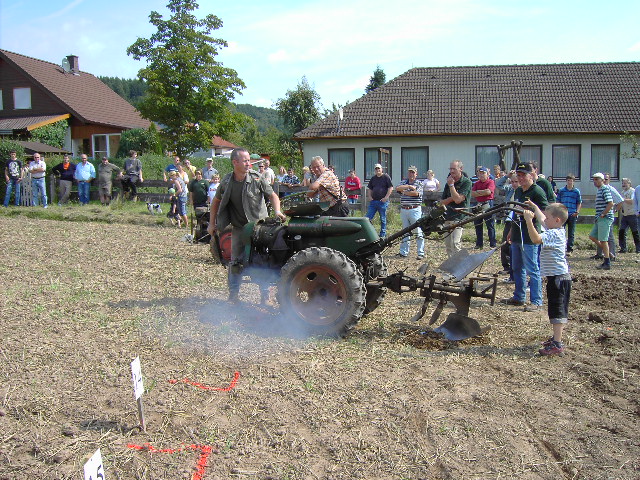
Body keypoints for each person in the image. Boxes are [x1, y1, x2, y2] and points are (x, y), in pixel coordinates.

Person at [208, 147, 286, 303]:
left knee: (263, 261)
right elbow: (216, 201)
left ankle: (265, 295)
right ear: (235, 162)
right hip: (239, 228)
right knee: (235, 262)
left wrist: (277, 211)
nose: (248, 164)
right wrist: (211, 224)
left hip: (260, 229)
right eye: (245, 161)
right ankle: (233, 295)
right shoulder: (226, 181)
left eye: (249, 161)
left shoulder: (257, 178)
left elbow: (272, 195)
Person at [522, 201, 571, 356]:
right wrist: (535, 208)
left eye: (548, 218)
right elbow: (543, 219)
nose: (545, 220)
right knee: (554, 308)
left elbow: (536, 239)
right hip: (556, 278)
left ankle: (557, 344)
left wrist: (529, 221)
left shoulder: (554, 234)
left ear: (557, 220)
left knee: (557, 311)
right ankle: (555, 339)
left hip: (559, 279)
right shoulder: (556, 228)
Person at [501, 162, 548, 310]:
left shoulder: (537, 191)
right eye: (518, 175)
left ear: (531, 175)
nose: (520, 178)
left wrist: (530, 211)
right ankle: (519, 297)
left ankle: (536, 301)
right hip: (517, 232)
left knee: (532, 269)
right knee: (516, 267)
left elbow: (544, 213)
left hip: (529, 235)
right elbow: (515, 211)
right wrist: (511, 230)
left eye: (523, 175)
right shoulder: (519, 191)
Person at [440, 160, 472, 257]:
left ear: (460, 169)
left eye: (454, 169)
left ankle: (459, 265)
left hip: (459, 217)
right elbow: (442, 202)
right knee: (448, 245)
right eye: (450, 169)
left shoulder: (466, 182)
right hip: (447, 216)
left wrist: (451, 186)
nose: (452, 171)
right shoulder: (448, 183)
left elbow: (458, 200)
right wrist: (452, 197)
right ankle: (451, 264)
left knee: (455, 243)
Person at [396, 166, 425, 259]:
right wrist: (409, 187)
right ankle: (403, 252)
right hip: (404, 209)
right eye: (410, 172)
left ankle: (420, 252)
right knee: (405, 231)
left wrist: (405, 192)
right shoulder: (403, 182)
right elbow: (398, 188)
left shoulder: (419, 183)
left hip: (414, 209)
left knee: (418, 231)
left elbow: (416, 193)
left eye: (413, 172)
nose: (411, 174)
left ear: (416, 174)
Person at [594, 173, 623, 260]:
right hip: (601, 217)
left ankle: (611, 254)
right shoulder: (600, 189)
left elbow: (620, 201)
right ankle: (601, 254)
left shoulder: (609, 189)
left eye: (606, 179)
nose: (605, 180)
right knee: (599, 236)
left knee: (608, 237)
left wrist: (612, 211)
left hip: (606, 217)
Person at [589, 173, 614, 270]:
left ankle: (607, 262)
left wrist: (603, 214)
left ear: (602, 180)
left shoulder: (605, 189)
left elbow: (610, 203)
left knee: (603, 240)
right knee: (592, 236)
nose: (595, 181)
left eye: (597, 179)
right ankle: (608, 253)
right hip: (599, 218)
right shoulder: (599, 190)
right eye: (594, 179)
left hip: (605, 218)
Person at [499, 173, 520, 279]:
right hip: (509, 219)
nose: (514, 184)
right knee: (505, 243)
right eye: (512, 182)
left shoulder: (522, 192)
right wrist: (506, 176)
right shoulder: (510, 190)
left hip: (518, 220)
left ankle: (514, 269)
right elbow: (498, 185)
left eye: (516, 182)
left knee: (514, 246)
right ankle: (506, 266)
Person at [556, 174, 582, 255]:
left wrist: (577, 212)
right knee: (561, 231)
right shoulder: (562, 190)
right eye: (568, 180)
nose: (570, 182)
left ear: (573, 182)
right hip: (563, 214)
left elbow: (579, 202)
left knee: (571, 233)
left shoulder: (576, 191)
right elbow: (558, 201)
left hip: (572, 214)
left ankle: (569, 249)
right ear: (566, 181)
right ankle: (561, 247)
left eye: (571, 181)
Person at [365, 163, 394, 238]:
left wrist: (386, 197)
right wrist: (369, 196)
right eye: (376, 169)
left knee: (383, 219)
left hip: (382, 202)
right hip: (373, 202)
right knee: (368, 218)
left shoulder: (386, 177)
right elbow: (370, 188)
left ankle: (382, 234)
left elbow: (390, 187)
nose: (377, 170)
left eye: (379, 168)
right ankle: (369, 233)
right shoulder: (373, 178)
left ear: (382, 169)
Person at [471, 166, 497, 249]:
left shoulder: (491, 182)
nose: (481, 175)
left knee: (490, 224)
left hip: (488, 203)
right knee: (478, 224)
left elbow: (488, 192)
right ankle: (479, 244)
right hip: (478, 204)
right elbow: (472, 193)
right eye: (480, 173)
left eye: (483, 173)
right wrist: (483, 192)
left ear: (488, 174)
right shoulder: (477, 183)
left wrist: (478, 192)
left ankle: (493, 244)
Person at [618, 178, 639, 253]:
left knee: (635, 232)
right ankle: (623, 248)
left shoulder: (633, 191)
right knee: (622, 231)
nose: (623, 185)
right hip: (625, 215)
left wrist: (622, 199)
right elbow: (620, 202)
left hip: (632, 215)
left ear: (629, 184)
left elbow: (632, 201)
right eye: (622, 183)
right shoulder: (622, 192)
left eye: (625, 183)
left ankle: (638, 249)